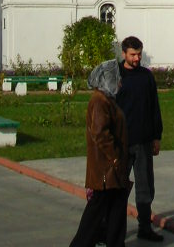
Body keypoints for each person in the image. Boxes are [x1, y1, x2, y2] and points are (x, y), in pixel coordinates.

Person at [68, 59, 132, 247]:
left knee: (115, 209)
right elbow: (100, 133)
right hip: (106, 170)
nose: (119, 83)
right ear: (107, 80)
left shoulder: (107, 100)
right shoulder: (100, 101)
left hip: (111, 169)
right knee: (96, 212)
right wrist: (115, 157)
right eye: (116, 79)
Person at [116, 35, 164, 242]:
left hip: (143, 141)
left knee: (145, 188)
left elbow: (154, 107)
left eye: (139, 54)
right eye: (133, 55)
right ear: (123, 54)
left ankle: (145, 227)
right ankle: (113, 232)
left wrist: (156, 136)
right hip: (121, 143)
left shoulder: (146, 77)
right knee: (117, 188)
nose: (137, 59)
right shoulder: (115, 76)